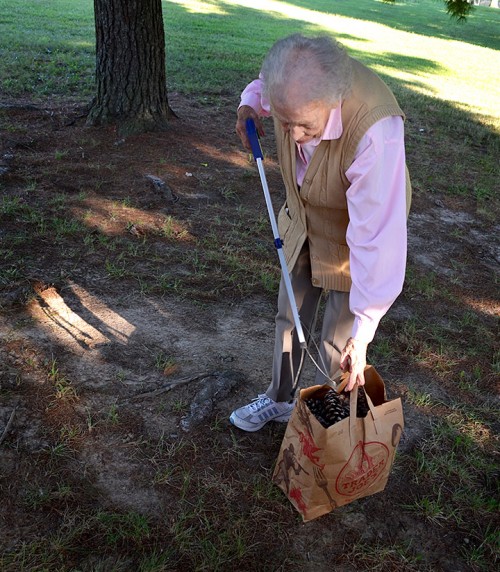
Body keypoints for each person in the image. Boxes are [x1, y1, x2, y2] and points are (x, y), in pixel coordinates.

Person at [230, 34, 411, 432]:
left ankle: (331, 422)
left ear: (333, 101)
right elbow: (262, 88)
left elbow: (377, 239)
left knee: (340, 343)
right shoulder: (290, 78)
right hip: (303, 214)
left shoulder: (375, 132)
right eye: (284, 121)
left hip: (355, 234)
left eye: (305, 125)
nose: (293, 137)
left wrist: (364, 333)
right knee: (289, 313)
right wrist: (249, 104)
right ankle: (279, 399)